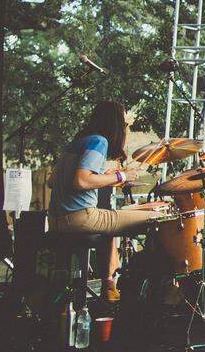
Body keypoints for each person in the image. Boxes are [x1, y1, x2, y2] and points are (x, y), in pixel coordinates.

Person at [49, 101, 154, 300]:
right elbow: (81, 180)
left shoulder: (77, 142)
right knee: (155, 217)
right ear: (115, 123)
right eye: (124, 123)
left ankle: (108, 286)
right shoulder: (99, 141)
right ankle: (149, 289)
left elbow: (51, 181)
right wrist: (122, 177)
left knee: (112, 225)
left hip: (56, 220)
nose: (125, 127)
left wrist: (103, 175)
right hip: (80, 218)